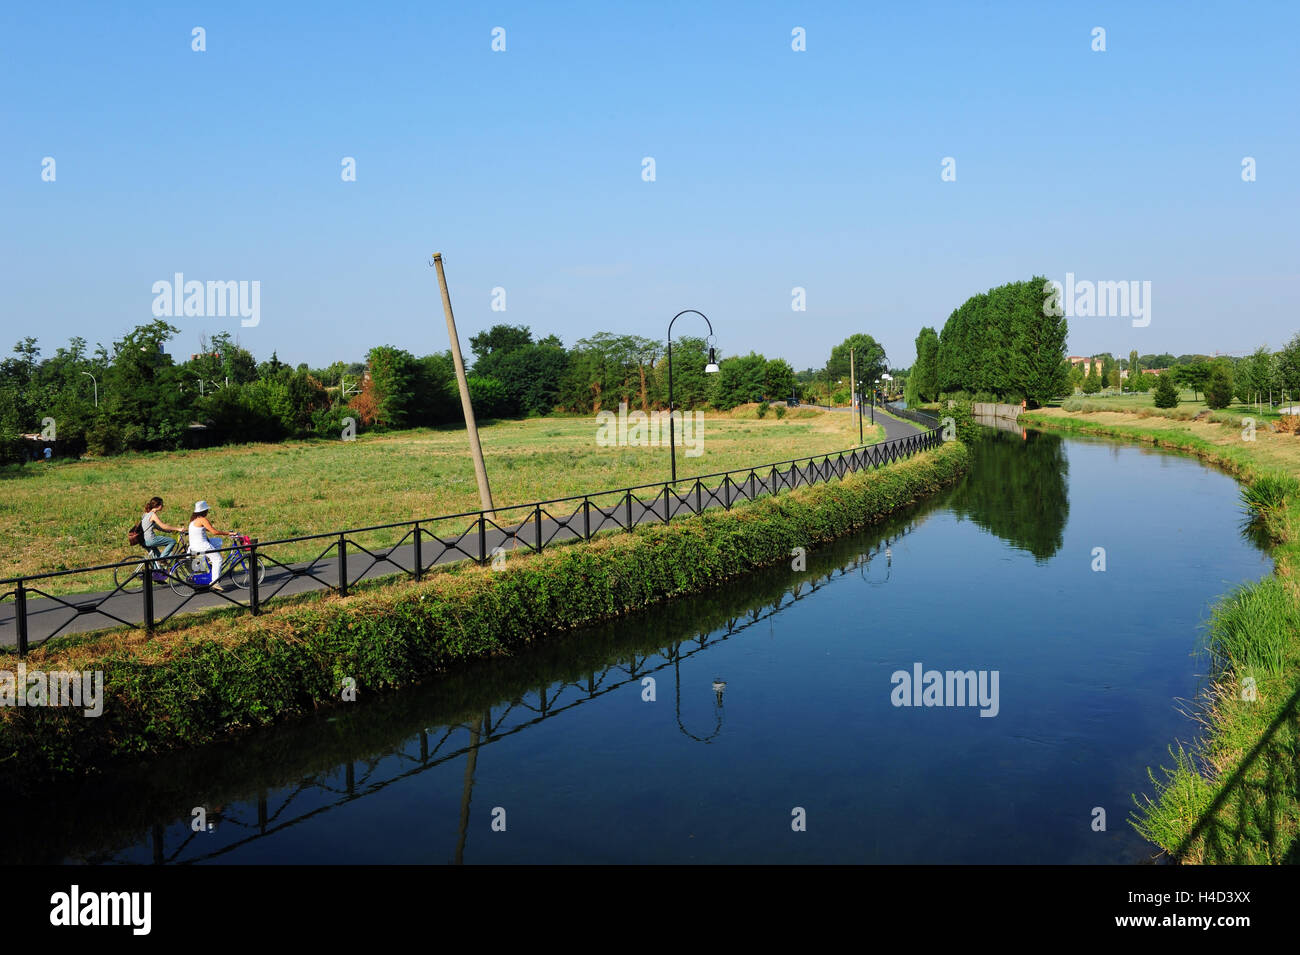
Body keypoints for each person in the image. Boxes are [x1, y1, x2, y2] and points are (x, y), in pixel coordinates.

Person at [187, 501, 233, 592]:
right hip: (202, 545)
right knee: (218, 559)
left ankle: (211, 563)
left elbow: (205, 530)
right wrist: (229, 533)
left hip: (194, 546)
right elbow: (214, 532)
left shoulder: (193, 521)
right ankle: (215, 582)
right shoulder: (203, 519)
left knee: (218, 541)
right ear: (204, 511)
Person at [141, 496, 184, 579]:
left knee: (156, 556)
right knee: (172, 541)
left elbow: (158, 527)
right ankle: (162, 559)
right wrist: (178, 528)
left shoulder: (146, 514)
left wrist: (170, 531)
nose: (163, 506)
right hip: (150, 540)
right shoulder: (153, 515)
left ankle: (157, 576)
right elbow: (163, 525)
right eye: (162, 504)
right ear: (158, 505)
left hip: (144, 540)